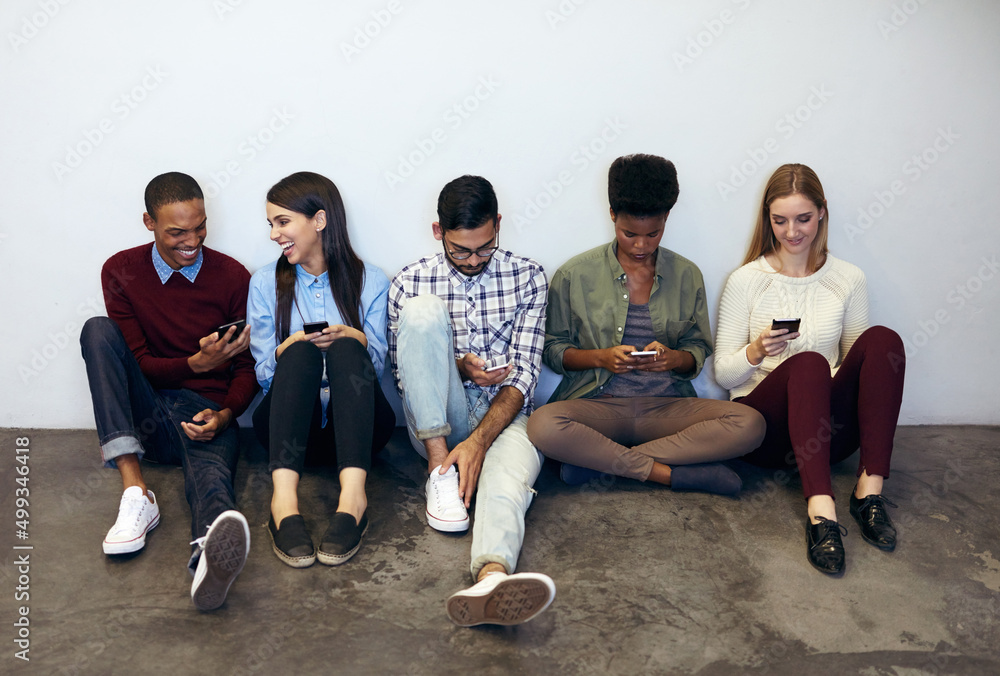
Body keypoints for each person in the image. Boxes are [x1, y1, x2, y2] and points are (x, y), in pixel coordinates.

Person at [528, 154, 765, 494]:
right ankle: (671, 475)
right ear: (612, 215)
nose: (641, 245)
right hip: (599, 404)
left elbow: (697, 350)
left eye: (653, 234)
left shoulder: (687, 274)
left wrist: (673, 359)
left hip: (667, 407)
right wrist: (602, 358)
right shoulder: (574, 274)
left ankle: (598, 465)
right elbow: (552, 351)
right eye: (629, 234)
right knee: (543, 424)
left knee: (750, 423)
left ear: (667, 218)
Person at [714, 163, 906, 575]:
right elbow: (724, 376)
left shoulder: (848, 278)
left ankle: (868, 492)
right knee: (809, 363)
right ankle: (822, 514)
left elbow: (864, 371)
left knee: (884, 339)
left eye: (803, 218)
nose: (792, 232)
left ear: (822, 212)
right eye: (779, 220)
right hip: (767, 433)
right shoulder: (746, 280)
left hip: (826, 435)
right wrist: (756, 350)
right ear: (768, 219)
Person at [79, 172, 255, 611]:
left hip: (206, 413)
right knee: (97, 332)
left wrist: (227, 414)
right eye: (178, 232)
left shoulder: (233, 275)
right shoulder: (120, 271)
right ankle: (136, 492)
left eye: (200, 226)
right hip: (149, 413)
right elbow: (134, 363)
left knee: (213, 482)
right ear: (148, 222)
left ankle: (208, 560)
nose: (192, 240)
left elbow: (249, 365)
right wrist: (192, 365)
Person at [387, 175, 555, 627]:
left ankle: (491, 579)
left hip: (509, 415)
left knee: (505, 486)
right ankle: (439, 471)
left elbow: (525, 377)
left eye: (485, 247)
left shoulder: (529, 277)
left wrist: (480, 443)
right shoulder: (410, 279)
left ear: (498, 225)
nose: (474, 260)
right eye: (461, 250)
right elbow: (408, 377)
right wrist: (459, 366)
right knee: (423, 312)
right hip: (439, 417)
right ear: (439, 232)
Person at [248, 172, 395, 568]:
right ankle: (283, 503)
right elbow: (264, 376)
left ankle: (353, 500)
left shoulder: (370, 280)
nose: (275, 234)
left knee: (349, 346)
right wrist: (288, 348)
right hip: (293, 430)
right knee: (300, 354)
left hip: (358, 432)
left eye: (283, 222)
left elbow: (375, 371)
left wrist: (356, 338)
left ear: (319, 220)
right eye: (271, 224)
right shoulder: (264, 282)